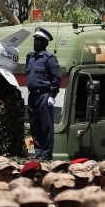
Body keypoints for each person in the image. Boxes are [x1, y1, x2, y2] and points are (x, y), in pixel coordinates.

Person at [25, 27, 61, 160]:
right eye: (35, 40)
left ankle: (46, 154)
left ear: (45, 43)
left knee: (46, 126)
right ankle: (37, 152)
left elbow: (56, 79)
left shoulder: (49, 59)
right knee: (34, 126)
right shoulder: (30, 57)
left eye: (39, 40)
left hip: (44, 96)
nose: (35, 42)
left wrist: (52, 96)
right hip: (32, 96)